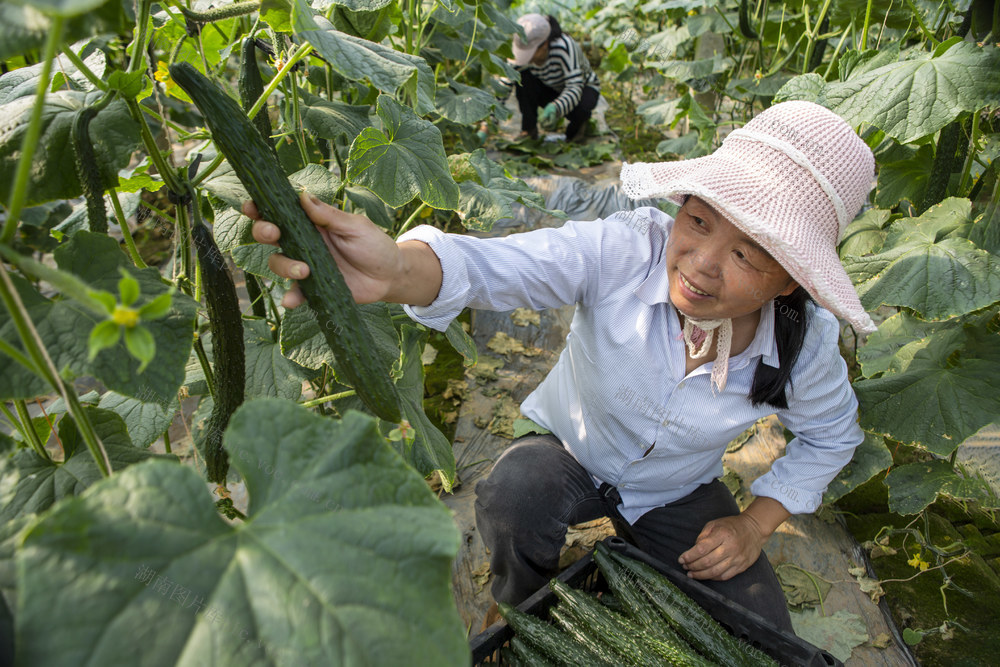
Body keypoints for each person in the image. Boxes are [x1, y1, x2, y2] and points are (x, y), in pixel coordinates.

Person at [246, 100, 876, 634]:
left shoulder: (804, 348)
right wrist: (398, 271)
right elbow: (506, 267)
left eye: (745, 252)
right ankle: (527, 616)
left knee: (760, 625)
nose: (702, 262)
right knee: (515, 497)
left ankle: (640, 550)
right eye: (698, 221)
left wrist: (753, 524)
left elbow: (832, 436)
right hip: (568, 449)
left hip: (674, 489)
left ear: (793, 280)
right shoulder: (627, 250)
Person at [498, 13, 600, 143]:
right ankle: (529, 130)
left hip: (582, 88)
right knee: (522, 78)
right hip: (549, 87)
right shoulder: (519, 57)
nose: (527, 59)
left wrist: (556, 107)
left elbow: (575, 87)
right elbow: (503, 86)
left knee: (583, 109)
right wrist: (486, 125)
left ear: (544, 44)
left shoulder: (564, 47)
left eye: (531, 53)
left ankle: (577, 130)